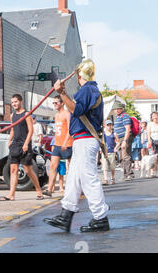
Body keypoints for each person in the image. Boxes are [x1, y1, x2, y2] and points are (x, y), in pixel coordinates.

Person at [44, 59, 110, 233]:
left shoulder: (87, 89)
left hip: (85, 139)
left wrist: (62, 93)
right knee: (74, 177)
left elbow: (76, 110)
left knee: (88, 178)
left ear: (79, 75)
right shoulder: (91, 90)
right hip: (84, 139)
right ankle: (66, 215)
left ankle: (100, 217)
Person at [0, 94, 44, 202]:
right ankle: (11, 194)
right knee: (13, 169)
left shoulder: (27, 114)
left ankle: (39, 191)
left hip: (25, 145)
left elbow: (31, 131)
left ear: (20, 102)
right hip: (15, 145)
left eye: (16, 102)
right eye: (12, 102)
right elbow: (13, 130)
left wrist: (26, 144)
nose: (14, 104)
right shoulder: (12, 115)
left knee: (28, 170)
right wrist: (10, 140)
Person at [43, 95, 73, 197]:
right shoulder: (56, 116)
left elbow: (70, 130)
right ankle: (49, 189)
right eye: (53, 103)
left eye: (56, 103)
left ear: (62, 103)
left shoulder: (67, 114)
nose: (54, 104)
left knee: (72, 167)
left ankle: (77, 187)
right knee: (52, 166)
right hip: (57, 144)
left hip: (67, 145)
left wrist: (65, 142)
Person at [113, 101, 134, 181]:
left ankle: (129, 174)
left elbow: (128, 129)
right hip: (119, 139)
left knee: (126, 155)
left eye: (119, 108)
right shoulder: (117, 117)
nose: (117, 110)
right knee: (121, 157)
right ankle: (125, 174)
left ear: (122, 109)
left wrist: (125, 140)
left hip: (126, 137)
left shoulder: (125, 116)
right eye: (116, 109)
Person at [102, 120, 117, 185]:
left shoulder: (114, 133)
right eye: (108, 125)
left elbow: (118, 142)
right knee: (105, 166)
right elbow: (102, 142)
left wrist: (116, 148)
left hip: (112, 151)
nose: (109, 127)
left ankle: (112, 178)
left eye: (110, 125)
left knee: (112, 166)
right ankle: (105, 179)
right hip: (105, 152)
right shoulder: (104, 134)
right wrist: (101, 150)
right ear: (105, 126)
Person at [147, 112, 158, 176]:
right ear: (151, 117)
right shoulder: (150, 124)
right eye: (153, 116)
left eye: (156, 115)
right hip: (153, 141)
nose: (155, 117)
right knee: (153, 156)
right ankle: (152, 171)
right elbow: (148, 133)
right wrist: (149, 141)